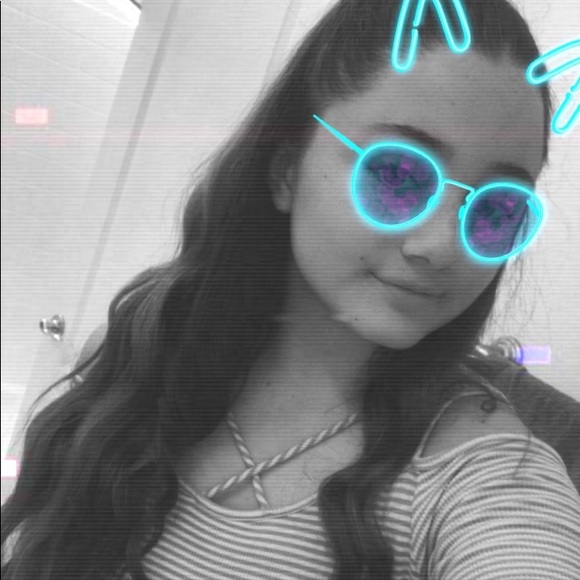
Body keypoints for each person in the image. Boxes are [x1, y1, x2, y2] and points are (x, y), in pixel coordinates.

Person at [2, 1, 579, 578]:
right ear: (286, 168)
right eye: (398, 175)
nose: (442, 246)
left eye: (498, 208)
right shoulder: (141, 352)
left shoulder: (490, 473)